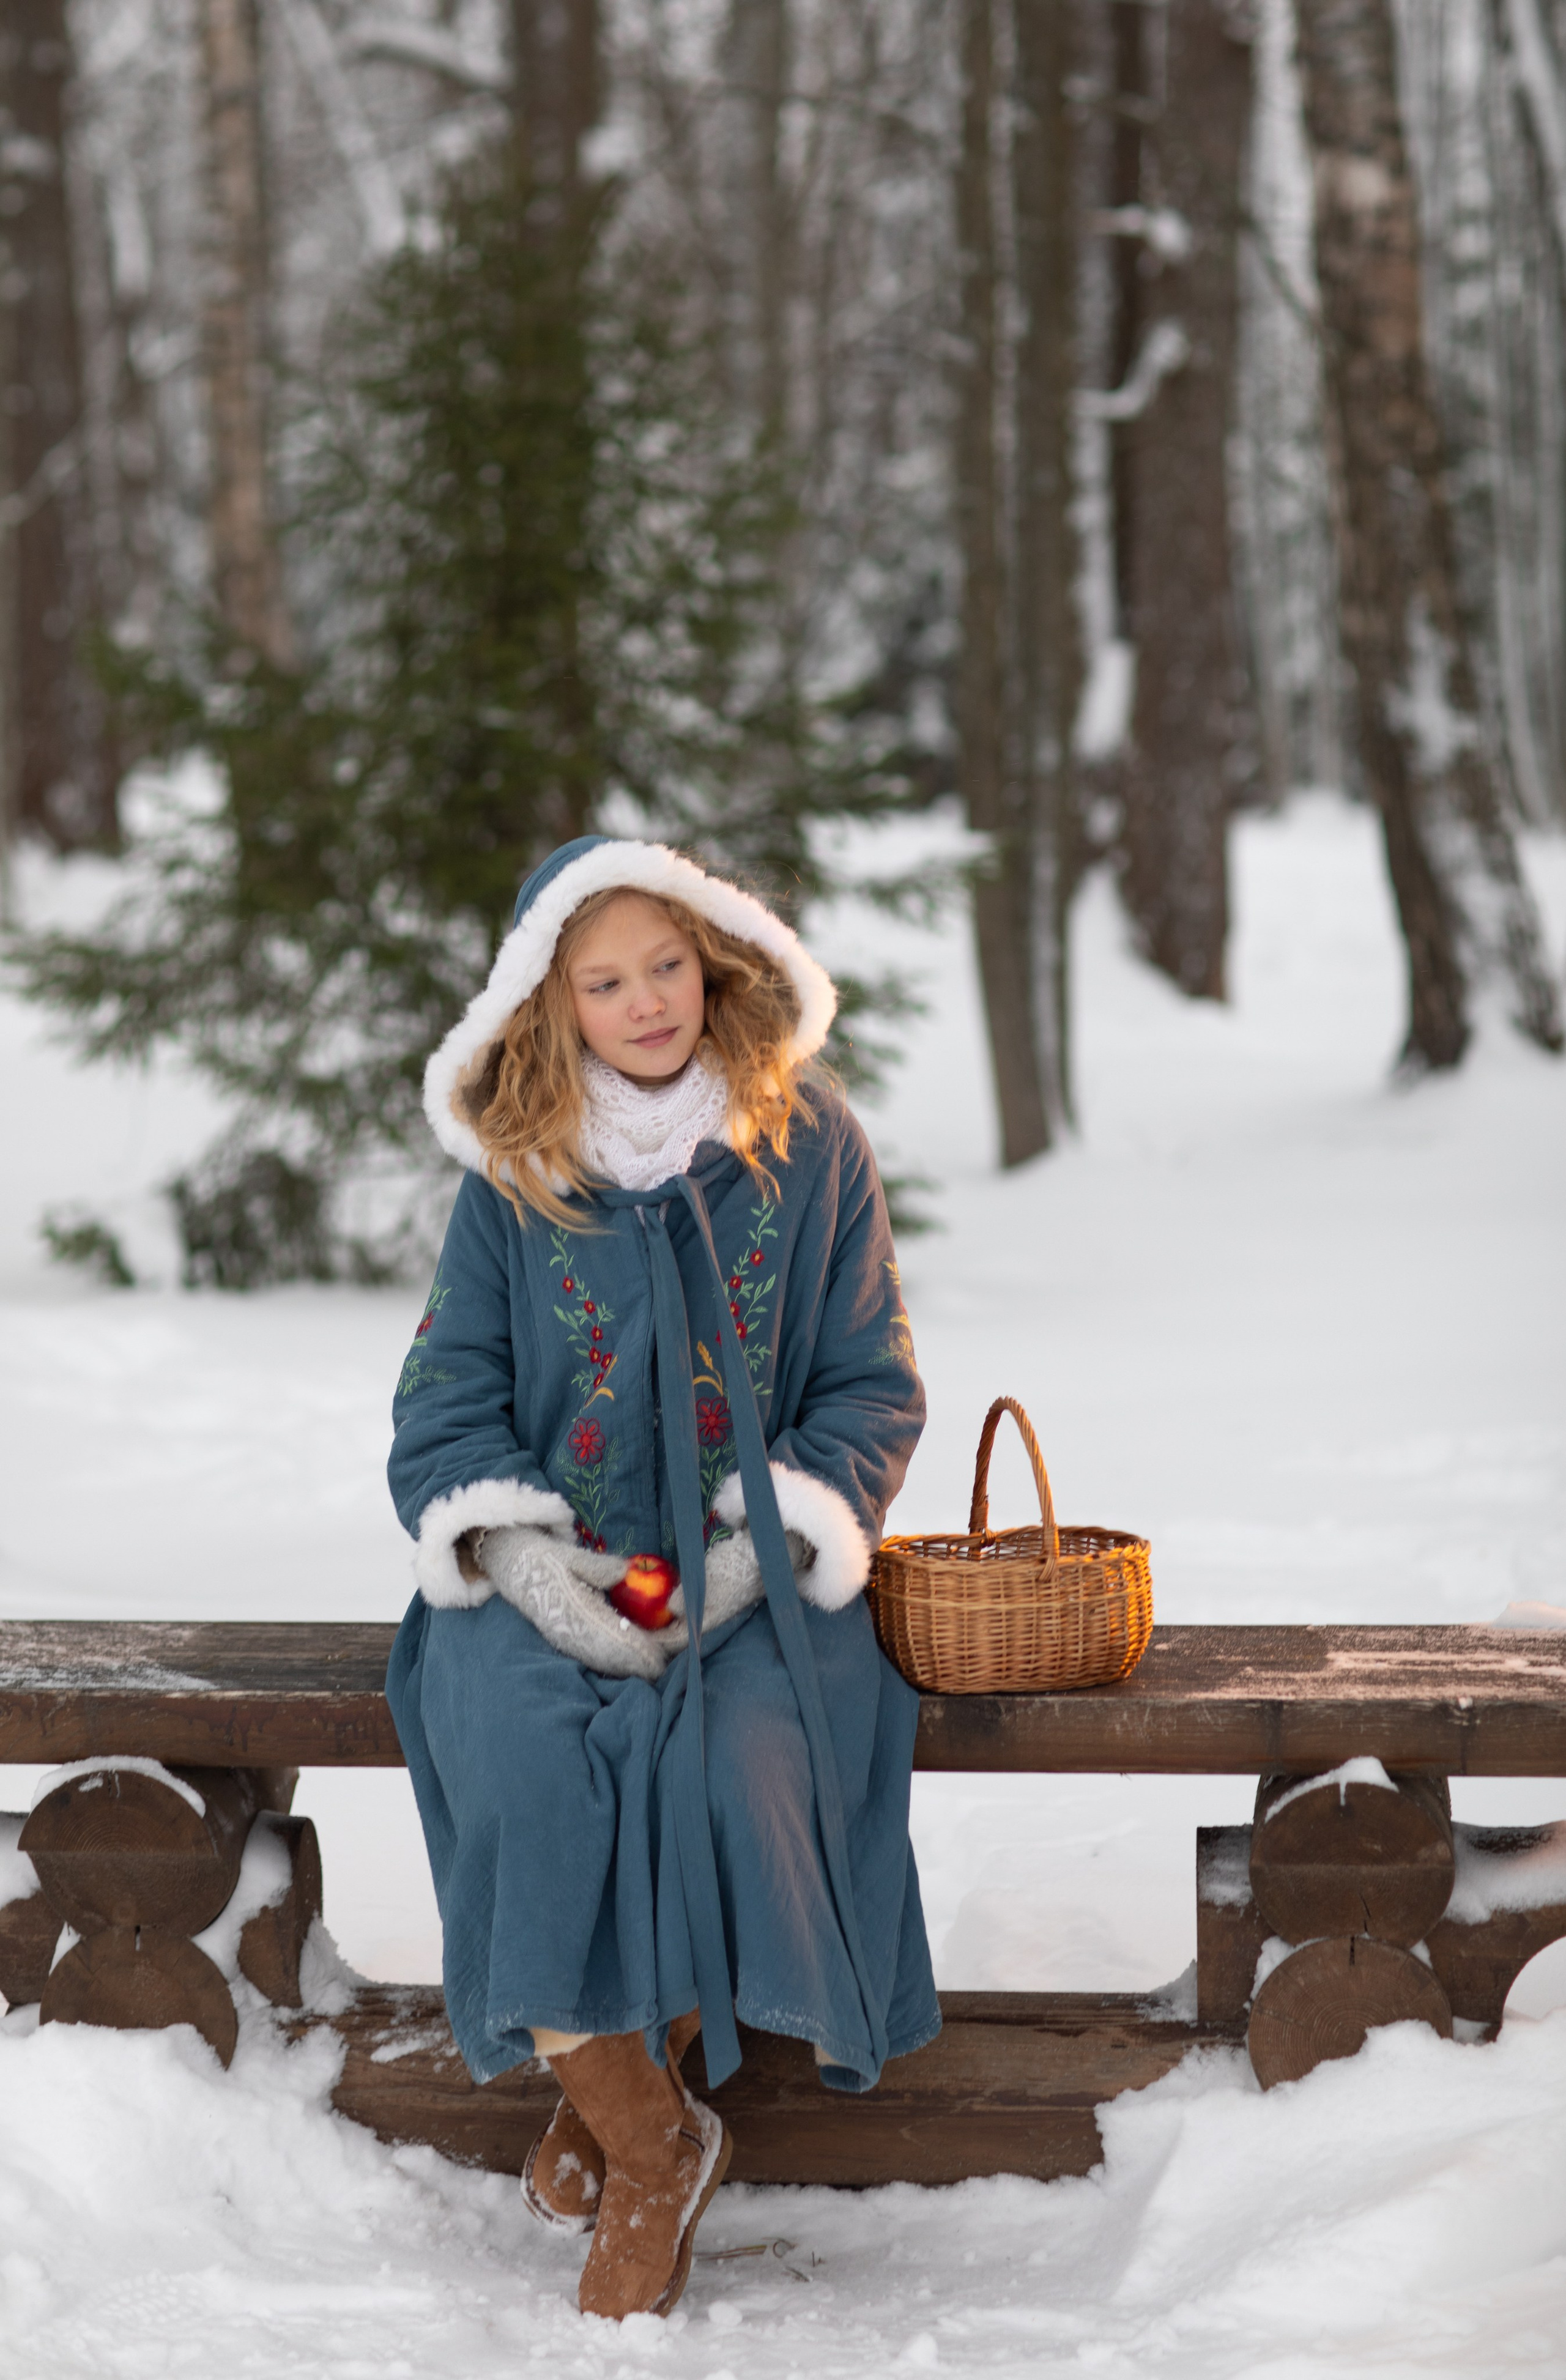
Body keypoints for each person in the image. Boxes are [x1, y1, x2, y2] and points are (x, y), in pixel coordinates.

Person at [385, 836, 940, 2321]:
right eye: (603, 980)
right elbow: (446, 1401)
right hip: (561, 1567)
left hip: (745, 1569)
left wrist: (760, 1552)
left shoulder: (805, 1141)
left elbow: (867, 1382)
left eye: (666, 967)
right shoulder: (516, 1176)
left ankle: (608, 2110)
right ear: (548, 1003)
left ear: (721, 961)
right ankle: (651, 2137)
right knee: (526, 1756)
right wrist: (528, 1560)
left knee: (734, 1755)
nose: (643, 1002)